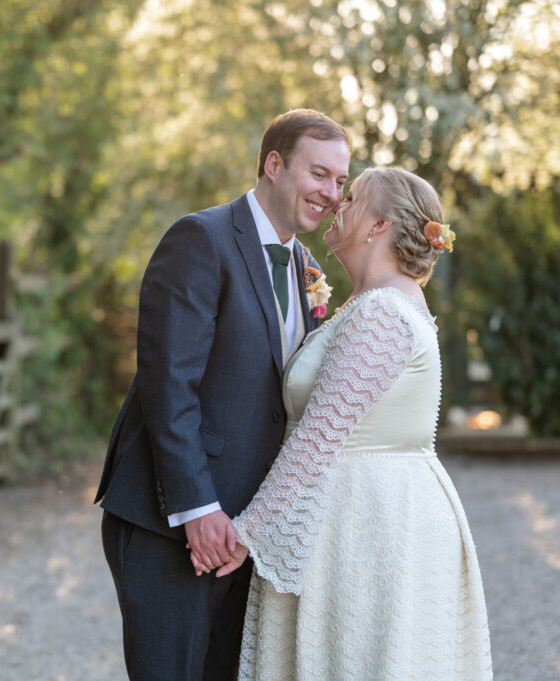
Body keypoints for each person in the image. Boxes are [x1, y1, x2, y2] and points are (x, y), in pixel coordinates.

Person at [200, 167, 493, 680]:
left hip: (371, 523)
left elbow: (319, 437)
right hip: (353, 512)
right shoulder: (369, 303)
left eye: (352, 195)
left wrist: (247, 532)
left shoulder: (382, 312)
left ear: (379, 225)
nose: (337, 201)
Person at [94, 109, 351, 681]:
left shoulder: (306, 267)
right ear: (274, 164)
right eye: (319, 174)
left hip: (245, 531)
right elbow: (169, 384)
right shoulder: (201, 239)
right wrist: (198, 508)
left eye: (340, 181)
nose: (332, 193)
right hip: (172, 520)